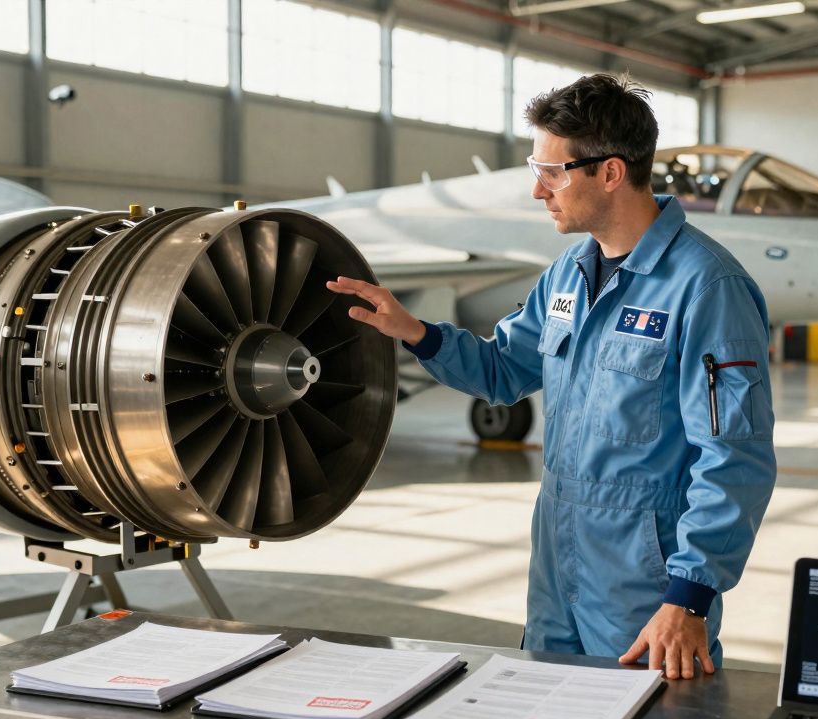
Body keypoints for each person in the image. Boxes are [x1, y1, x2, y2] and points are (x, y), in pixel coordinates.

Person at [326, 74, 776, 681]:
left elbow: (733, 458)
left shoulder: (706, 288)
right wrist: (417, 332)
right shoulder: (568, 273)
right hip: (558, 567)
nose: (539, 190)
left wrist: (689, 596)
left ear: (610, 172)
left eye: (553, 171)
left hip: (646, 585)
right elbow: (505, 370)